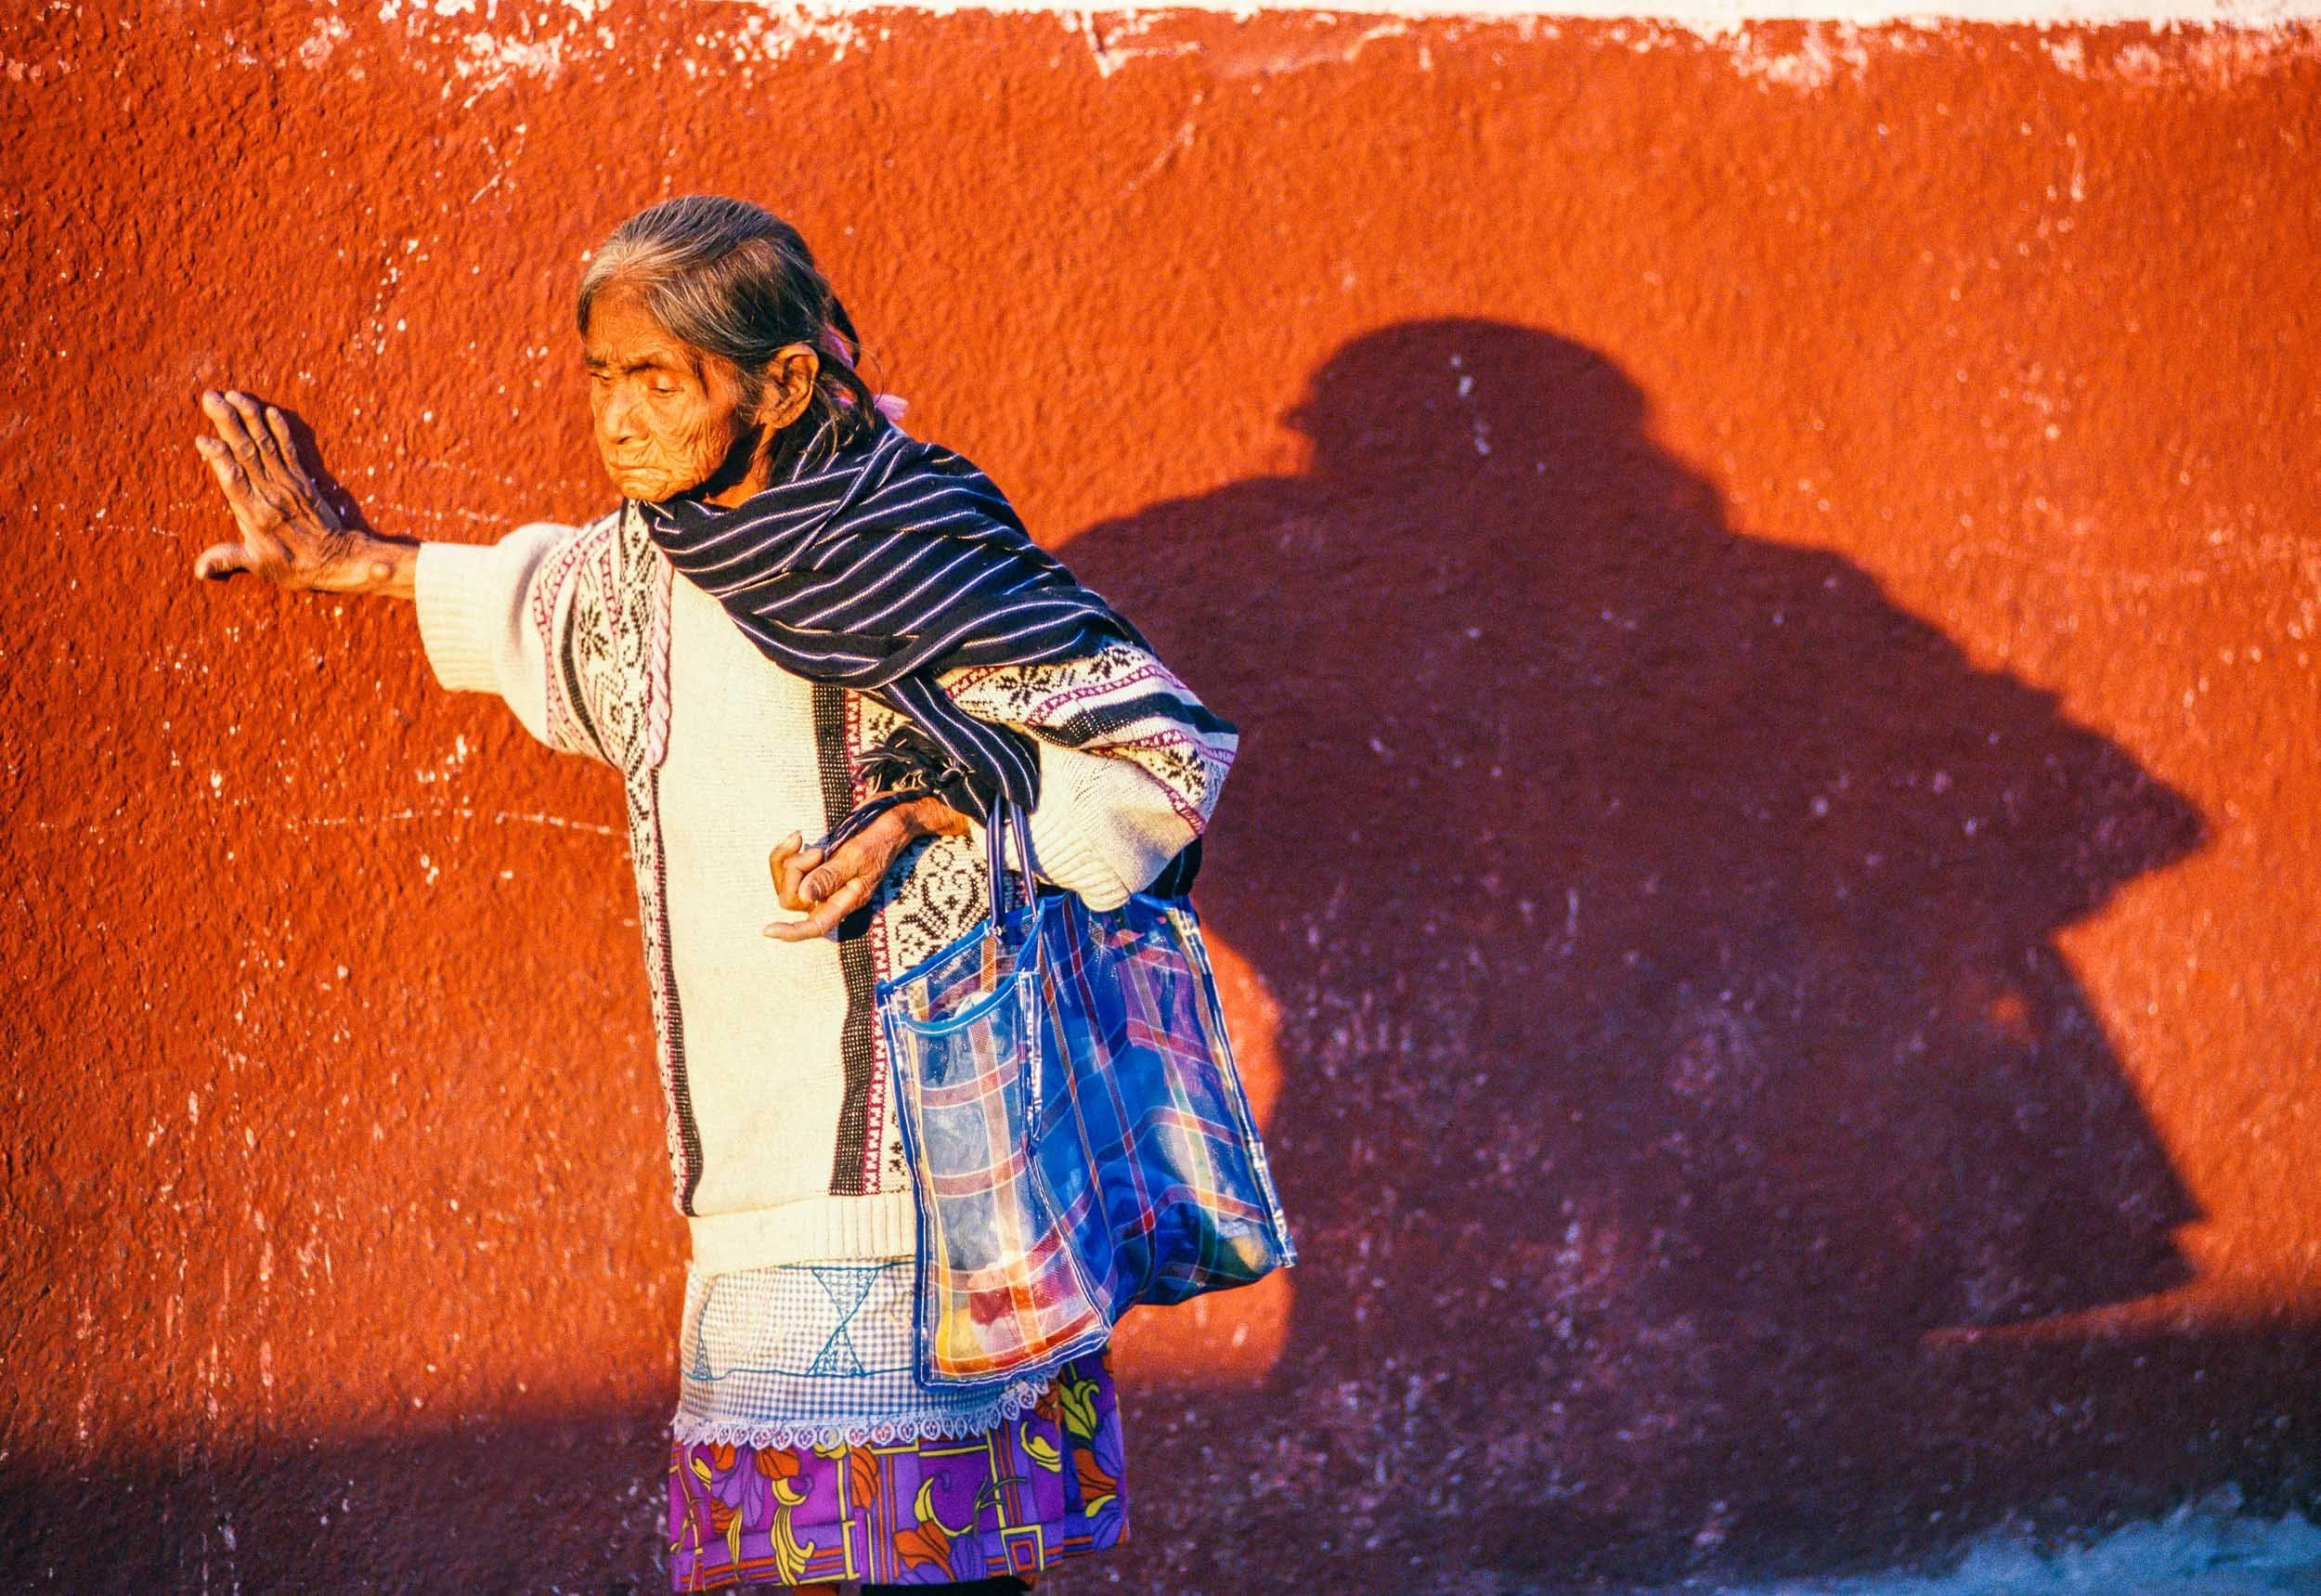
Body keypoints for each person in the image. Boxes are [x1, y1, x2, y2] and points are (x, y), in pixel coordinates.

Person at [188, 194, 1237, 1593]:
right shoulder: (643, 560)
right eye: (600, 379)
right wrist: (347, 563)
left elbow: (1161, 752)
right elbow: (537, 605)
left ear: (780, 382)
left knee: (932, 1565)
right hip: (745, 1189)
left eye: (658, 381)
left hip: (935, 1172)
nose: (616, 421)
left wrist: (927, 806)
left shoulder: (911, 532)